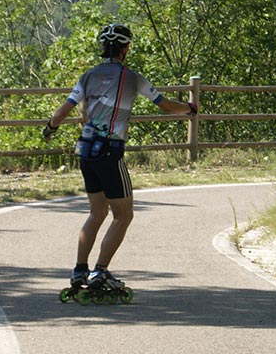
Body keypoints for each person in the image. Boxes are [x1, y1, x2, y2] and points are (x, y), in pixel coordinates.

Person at [43, 23, 197, 292]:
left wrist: (50, 128)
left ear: (103, 48)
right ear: (126, 48)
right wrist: (189, 109)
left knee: (97, 212)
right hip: (109, 150)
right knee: (123, 215)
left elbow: (61, 113)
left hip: (85, 149)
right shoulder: (132, 78)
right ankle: (99, 272)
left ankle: (80, 270)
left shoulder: (87, 76)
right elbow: (165, 105)